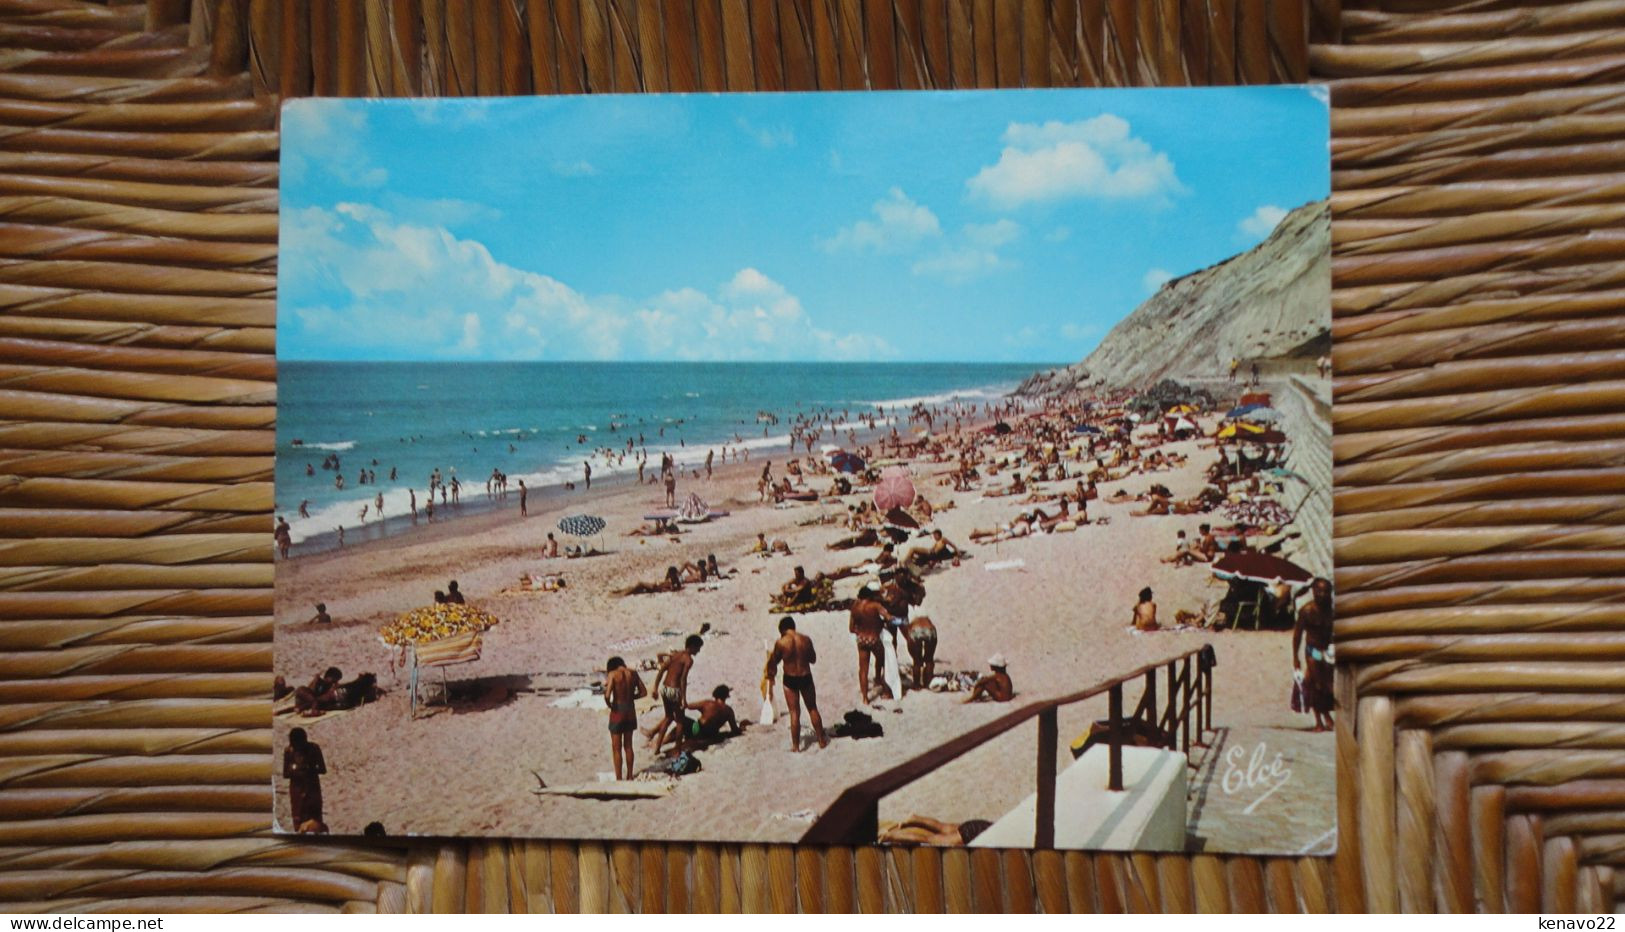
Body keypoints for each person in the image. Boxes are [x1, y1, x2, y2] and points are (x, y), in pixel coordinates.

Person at [763, 616, 828, 751]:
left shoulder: (781, 642)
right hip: (806, 677)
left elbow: (774, 662)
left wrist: (770, 672)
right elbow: (813, 659)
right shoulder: (805, 639)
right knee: (812, 708)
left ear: (782, 629)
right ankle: (821, 740)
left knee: (794, 713)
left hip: (790, 679)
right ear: (793, 626)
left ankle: (796, 746)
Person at [1292, 577, 1335, 731]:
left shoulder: (1331, 610)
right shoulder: (1307, 611)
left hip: (1328, 651)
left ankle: (1326, 716)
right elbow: (1297, 636)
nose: (1322, 594)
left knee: (1328, 685)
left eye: (1326, 591)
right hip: (1313, 651)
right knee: (1317, 685)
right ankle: (1319, 720)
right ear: (1313, 591)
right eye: (1319, 591)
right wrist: (1295, 658)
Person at [647, 635, 703, 753]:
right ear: (692, 646)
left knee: (668, 717)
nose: (699, 651)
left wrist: (655, 688)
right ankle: (677, 748)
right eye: (698, 648)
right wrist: (684, 699)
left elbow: (662, 670)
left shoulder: (675, 655)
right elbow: (683, 680)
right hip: (675, 690)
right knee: (680, 721)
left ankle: (657, 747)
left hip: (665, 688)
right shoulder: (688, 660)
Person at [603, 656, 647, 780]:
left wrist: (610, 705)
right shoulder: (633, 673)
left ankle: (619, 778)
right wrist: (632, 697)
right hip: (630, 710)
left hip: (618, 710)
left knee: (616, 747)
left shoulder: (613, 674)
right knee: (628, 745)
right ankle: (629, 775)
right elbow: (643, 692)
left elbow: (607, 696)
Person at [848, 585, 892, 705]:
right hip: (874, 639)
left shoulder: (855, 607)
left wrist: (862, 631)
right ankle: (884, 687)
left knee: (863, 669)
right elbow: (888, 617)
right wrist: (882, 623)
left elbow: (851, 629)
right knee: (884, 661)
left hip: (862, 639)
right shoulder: (875, 606)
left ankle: (865, 698)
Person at [282, 727, 326, 828]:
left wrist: (309, 770)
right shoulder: (289, 751)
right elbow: (285, 774)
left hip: (312, 788)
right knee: (298, 820)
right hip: (297, 790)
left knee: (315, 821)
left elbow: (323, 769)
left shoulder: (314, 748)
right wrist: (297, 772)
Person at [680, 684, 742, 749]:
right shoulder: (729, 711)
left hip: (698, 731)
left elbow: (687, 706)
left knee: (682, 721)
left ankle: (668, 739)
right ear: (727, 696)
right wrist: (740, 728)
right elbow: (734, 729)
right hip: (712, 734)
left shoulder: (708, 703)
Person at [904, 616, 938, 689]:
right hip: (930, 630)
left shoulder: (912, 623)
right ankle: (928, 682)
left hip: (916, 630)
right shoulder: (927, 619)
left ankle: (916, 684)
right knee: (929, 659)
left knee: (916, 661)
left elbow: (909, 638)